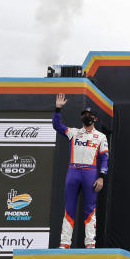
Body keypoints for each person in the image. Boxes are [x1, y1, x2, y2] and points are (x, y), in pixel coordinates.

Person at [53, 93, 109, 249]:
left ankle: (90, 243)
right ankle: (64, 243)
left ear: (95, 119)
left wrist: (102, 177)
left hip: (90, 174)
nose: (87, 117)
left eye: (90, 116)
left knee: (90, 208)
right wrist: (57, 109)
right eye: (84, 115)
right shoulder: (73, 132)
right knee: (69, 207)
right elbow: (57, 126)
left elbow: (104, 158)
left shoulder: (101, 137)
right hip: (73, 171)